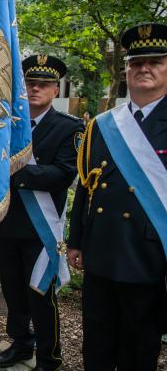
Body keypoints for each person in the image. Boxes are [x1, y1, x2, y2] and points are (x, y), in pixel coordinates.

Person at [67, 22, 167, 370]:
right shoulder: (101, 125)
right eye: (136, 62)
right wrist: (76, 241)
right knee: (97, 337)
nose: (144, 68)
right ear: (126, 70)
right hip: (102, 251)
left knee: (139, 344)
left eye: (155, 61)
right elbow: (86, 185)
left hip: (149, 256)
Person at [0, 55, 84, 370]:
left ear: (55, 89)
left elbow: (62, 174)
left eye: (43, 85)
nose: (35, 89)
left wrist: (14, 171)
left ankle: (49, 357)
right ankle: (21, 343)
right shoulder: (8, 125)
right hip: (7, 222)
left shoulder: (69, 127)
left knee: (40, 295)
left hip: (41, 229)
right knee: (13, 291)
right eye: (30, 83)